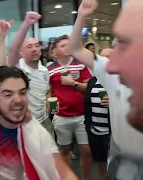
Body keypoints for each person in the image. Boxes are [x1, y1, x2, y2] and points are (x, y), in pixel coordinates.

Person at [69, 0, 143, 178]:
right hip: (119, 161)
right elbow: (76, 48)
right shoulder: (110, 74)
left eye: (124, 45)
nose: (112, 65)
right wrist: (82, 16)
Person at [47, 35, 92, 180]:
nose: (67, 47)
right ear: (54, 51)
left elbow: (88, 87)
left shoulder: (80, 64)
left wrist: (73, 83)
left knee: (86, 150)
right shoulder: (50, 69)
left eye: (68, 44)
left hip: (82, 115)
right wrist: (48, 101)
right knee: (64, 149)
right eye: (63, 45)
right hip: (61, 116)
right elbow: (48, 92)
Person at [7, 11, 54, 137]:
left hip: (44, 121)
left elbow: (47, 91)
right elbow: (13, 49)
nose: (34, 49)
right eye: (29, 46)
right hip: (24, 124)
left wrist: (48, 102)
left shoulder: (44, 70)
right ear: (22, 52)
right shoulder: (17, 67)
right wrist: (27, 23)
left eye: (36, 46)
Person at [84, 75, 110, 180]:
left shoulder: (120, 79)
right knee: (101, 164)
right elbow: (87, 104)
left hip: (114, 133)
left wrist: (115, 102)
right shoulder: (93, 81)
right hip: (95, 131)